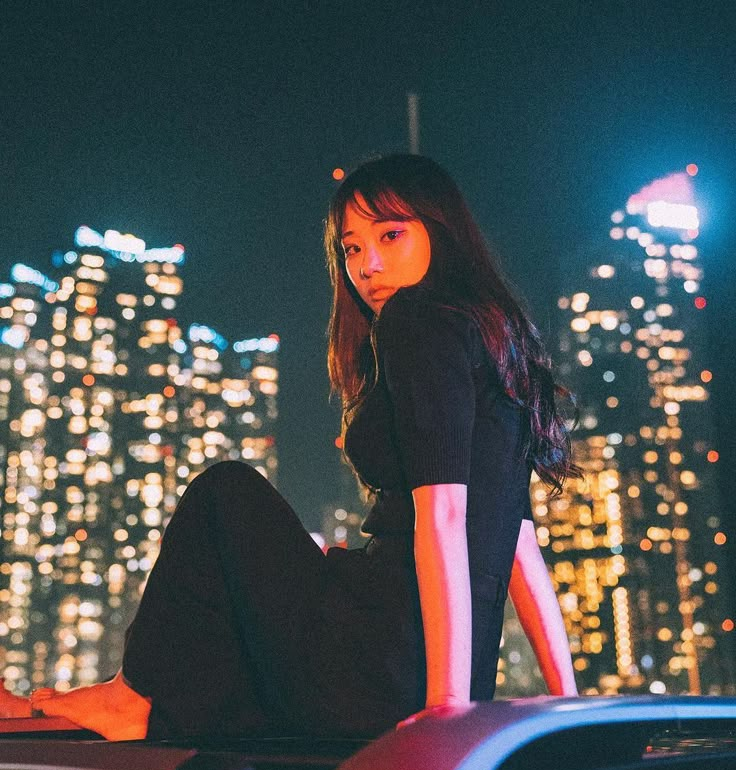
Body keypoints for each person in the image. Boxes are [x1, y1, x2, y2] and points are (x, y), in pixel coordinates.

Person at [0, 154, 578, 740]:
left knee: (224, 493)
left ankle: (130, 696)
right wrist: (568, 702)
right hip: (414, 676)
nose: (368, 265)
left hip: (383, 666)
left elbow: (446, 515)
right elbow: (518, 544)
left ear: (443, 231)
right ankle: (137, 703)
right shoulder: (499, 344)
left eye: (392, 235)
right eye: (351, 249)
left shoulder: (416, 318)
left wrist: (445, 713)